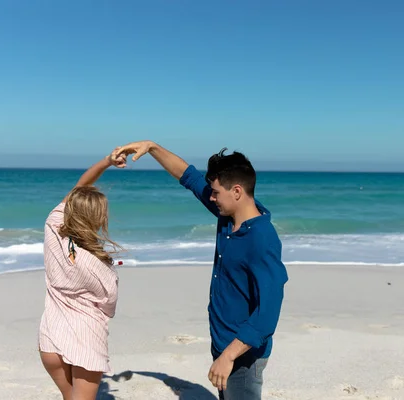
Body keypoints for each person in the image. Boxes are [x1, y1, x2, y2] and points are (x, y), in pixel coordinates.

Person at [113, 141, 288, 400]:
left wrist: (228, 357)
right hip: (222, 342)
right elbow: (188, 176)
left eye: (216, 192)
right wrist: (151, 148)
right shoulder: (229, 218)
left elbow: (268, 315)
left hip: (242, 356)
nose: (211, 196)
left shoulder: (262, 240)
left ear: (237, 191)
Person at [38, 152, 125, 400]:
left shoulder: (53, 227)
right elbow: (108, 306)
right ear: (99, 220)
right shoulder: (100, 267)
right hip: (86, 341)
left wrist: (107, 161)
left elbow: (80, 186)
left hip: (50, 339)